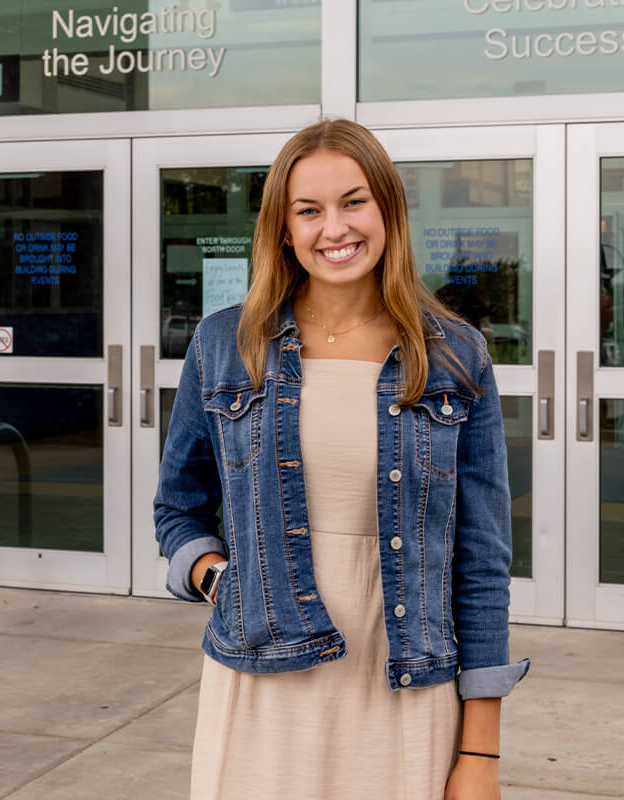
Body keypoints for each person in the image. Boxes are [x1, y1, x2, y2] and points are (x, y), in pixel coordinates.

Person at [154, 118, 529, 800]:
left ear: (386, 207)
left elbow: (480, 562)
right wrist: (220, 582)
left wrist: (481, 751)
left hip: (406, 685)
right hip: (261, 681)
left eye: (354, 201)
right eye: (309, 210)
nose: (335, 228)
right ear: (284, 229)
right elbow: (177, 508)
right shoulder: (224, 345)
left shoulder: (453, 355)